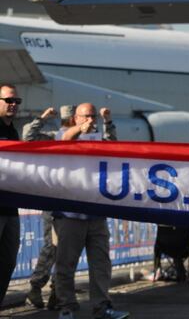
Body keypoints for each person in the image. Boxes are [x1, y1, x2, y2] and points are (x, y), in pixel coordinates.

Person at [53, 103, 128, 319]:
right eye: (86, 117)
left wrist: (108, 122)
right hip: (70, 214)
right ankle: (66, 306)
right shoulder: (64, 133)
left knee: (101, 264)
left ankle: (102, 306)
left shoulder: (98, 139)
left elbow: (115, 147)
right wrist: (79, 130)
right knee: (66, 263)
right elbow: (65, 139)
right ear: (76, 118)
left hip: (95, 213)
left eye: (93, 117)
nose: (90, 121)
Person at [23, 105, 76, 310]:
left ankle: (57, 291)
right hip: (54, 200)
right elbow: (28, 137)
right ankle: (37, 287)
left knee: (67, 251)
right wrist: (41, 118)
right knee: (52, 248)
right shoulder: (53, 138)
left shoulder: (83, 141)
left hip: (73, 201)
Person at [0, 84, 22, 308]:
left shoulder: (13, 131)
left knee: (8, 262)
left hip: (11, 208)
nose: (13, 105)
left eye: (17, 101)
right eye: (8, 100)